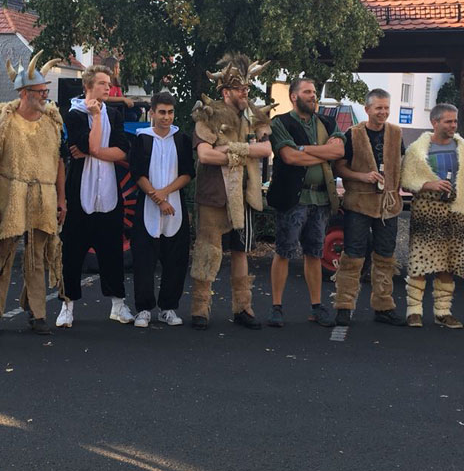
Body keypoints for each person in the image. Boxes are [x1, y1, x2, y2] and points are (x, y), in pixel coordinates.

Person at [0, 53, 66, 336]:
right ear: (25, 93)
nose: (45, 96)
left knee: (37, 255)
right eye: (40, 91)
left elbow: (59, 161)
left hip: (44, 195)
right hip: (11, 195)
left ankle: (37, 312)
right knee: (4, 253)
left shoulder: (52, 121)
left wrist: (61, 199)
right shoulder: (3, 119)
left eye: (45, 91)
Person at [189, 53, 274, 330]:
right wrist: (244, 153)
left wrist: (230, 149)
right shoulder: (209, 114)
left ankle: (243, 308)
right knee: (207, 250)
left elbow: (266, 149)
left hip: (244, 196)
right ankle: (200, 309)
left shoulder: (253, 115)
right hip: (214, 195)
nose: (245, 93)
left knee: (241, 251)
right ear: (226, 92)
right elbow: (206, 156)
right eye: (240, 89)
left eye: (247, 88)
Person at [58, 64, 134, 327]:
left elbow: (122, 149)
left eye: (108, 83)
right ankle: (67, 306)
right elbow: (86, 144)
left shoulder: (114, 113)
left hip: (109, 193)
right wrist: (96, 119)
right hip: (81, 193)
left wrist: (96, 151)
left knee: (112, 252)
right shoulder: (74, 114)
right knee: (72, 253)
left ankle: (118, 306)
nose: (107, 87)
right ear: (88, 86)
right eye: (102, 83)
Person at [266, 77, 346, 327]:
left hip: (321, 198)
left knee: (314, 253)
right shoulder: (280, 123)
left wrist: (304, 149)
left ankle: (316, 307)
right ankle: (277, 307)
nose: (314, 96)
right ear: (294, 96)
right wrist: (322, 153)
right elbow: (289, 157)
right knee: (284, 252)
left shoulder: (327, 122)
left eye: (314, 92)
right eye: (308, 92)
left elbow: (339, 151)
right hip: (292, 198)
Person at [401, 103, 464, 328]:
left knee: (448, 264)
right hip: (426, 210)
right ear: (434, 122)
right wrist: (428, 184)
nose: (453, 125)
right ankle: (413, 311)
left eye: (455, 121)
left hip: (454, 211)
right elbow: (406, 181)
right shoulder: (417, 150)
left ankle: (443, 312)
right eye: (448, 121)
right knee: (419, 262)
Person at [332, 88, 405, 326]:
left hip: (388, 205)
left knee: (385, 256)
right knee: (353, 255)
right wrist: (362, 176)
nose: (383, 112)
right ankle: (344, 306)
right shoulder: (352, 134)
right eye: (378, 108)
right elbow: (339, 168)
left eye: (386, 108)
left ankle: (383, 306)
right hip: (359, 203)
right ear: (367, 109)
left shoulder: (396, 133)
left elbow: (403, 165)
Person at [129, 91, 194, 327]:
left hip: (174, 208)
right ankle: (144, 309)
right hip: (147, 206)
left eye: (170, 112)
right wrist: (157, 199)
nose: (166, 117)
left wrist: (165, 193)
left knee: (176, 260)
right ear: (152, 113)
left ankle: (168, 308)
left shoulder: (181, 139)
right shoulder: (142, 139)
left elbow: (188, 173)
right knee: (143, 260)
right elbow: (138, 173)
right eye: (162, 112)